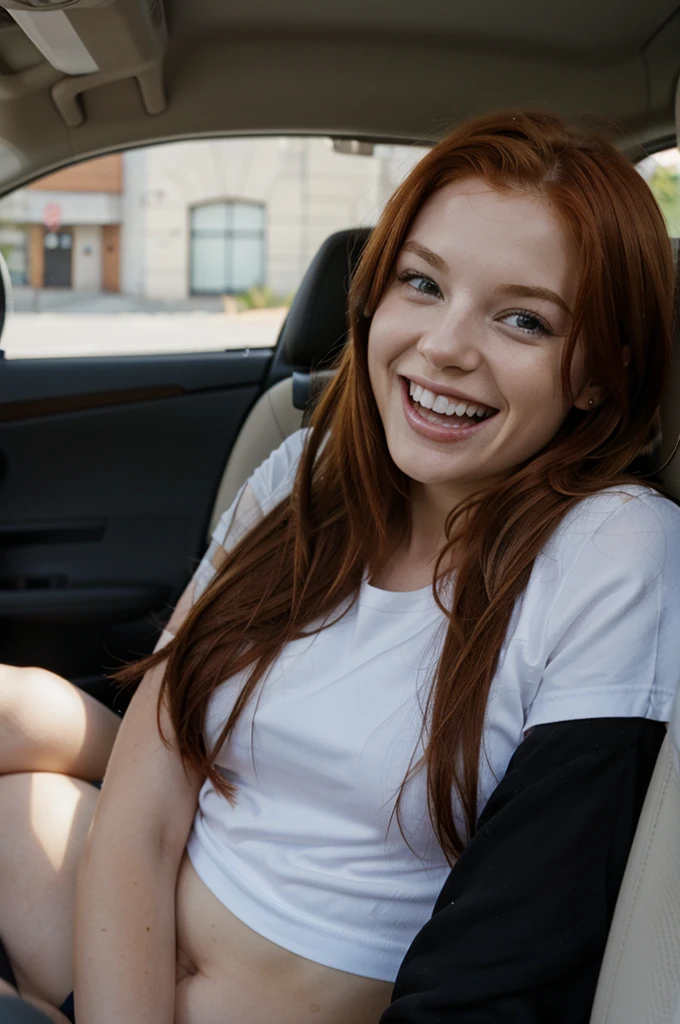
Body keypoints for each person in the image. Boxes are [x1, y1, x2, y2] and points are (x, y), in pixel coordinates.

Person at [0, 109, 678, 1024]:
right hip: (128, 962)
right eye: (422, 283)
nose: (445, 346)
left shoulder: (613, 547)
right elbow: (153, 779)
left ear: (599, 373)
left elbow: (514, 951)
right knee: (20, 784)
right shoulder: (307, 472)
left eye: (523, 319)